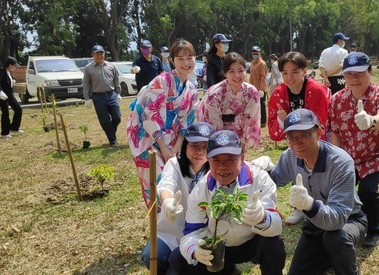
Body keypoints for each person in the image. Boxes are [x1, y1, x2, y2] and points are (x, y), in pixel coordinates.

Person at [253, 109, 367, 275]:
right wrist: (262, 170)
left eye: (305, 135)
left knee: (336, 238)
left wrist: (309, 204)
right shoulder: (290, 156)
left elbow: (338, 218)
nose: (298, 143)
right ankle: (328, 257)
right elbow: (275, 180)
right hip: (315, 224)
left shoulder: (340, 162)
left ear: (319, 133)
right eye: (291, 137)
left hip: (350, 220)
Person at [168, 130, 285, 275]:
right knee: (178, 259)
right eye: (216, 160)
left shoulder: (260, 179)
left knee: (274, 247)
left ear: (242, 157)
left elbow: (277, 226)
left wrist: (262, 218)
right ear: (208, 160)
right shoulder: (201, 189)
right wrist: (195, 250)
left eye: (230, 159)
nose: (223, 166)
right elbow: (190, 233)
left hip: (253, 241)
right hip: (220, 246)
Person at [141, 122, 215, 275]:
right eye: (194, 146)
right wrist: (168, 202)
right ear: (185, 145)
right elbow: (166, 185)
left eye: (205, 147)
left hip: (199, 234)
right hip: (170, 232)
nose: (199, 152)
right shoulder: (174, 164)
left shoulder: (214, 170)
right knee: (151, 257)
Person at [328, 52, 379, 248]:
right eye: (349, 75)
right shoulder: (337, 99)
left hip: (376, 156)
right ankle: (346, 223)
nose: (354, 79)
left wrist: (371, 120)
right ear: (343, 76)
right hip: (349, 157)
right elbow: (335, 132)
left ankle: (374, 228)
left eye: (359, 73)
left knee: (367, 190)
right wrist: (337, 160)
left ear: (370, 72)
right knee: (340, 189)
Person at [126, 39, 198, 207]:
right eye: (180, 58)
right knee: (155, 179)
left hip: (171, 138)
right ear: (172, 60)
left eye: (190, 57)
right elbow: (148, 113)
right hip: (147, 136)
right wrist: (163, 147)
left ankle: (172, 221)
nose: (186, 63)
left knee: (172, 177)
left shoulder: (192, 89)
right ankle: (158, 225)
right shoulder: (162, 81)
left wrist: (175, 147)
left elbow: (186, 120)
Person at [267, 51, 331, 225]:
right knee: (295, 162)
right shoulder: (279, 93)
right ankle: (299, 206)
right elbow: (272, 124)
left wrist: (291, 121)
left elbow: (320, 122)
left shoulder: (316, 91)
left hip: (320, 137)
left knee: (318, 167)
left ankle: (320, 203)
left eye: (295, 72)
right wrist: (282, 120)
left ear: (305, 71)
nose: (290, 77)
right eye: (285, 73)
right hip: (296, 139)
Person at [196, 52, 261, 151]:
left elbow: (252, 119)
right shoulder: (215, 93)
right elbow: (214, 121)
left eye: (240, 70)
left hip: (241, 131)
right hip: (218, 131)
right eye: (231, 71)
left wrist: (242, 145)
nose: (237, 75)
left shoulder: (252, 92)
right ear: (225, 73)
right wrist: (221, 146)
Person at [82, 45, 122, 146]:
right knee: (104, 121)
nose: (100, 56)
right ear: (92, 55)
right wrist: (87, 98)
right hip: (98, 97)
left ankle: (110, 133)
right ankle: (113, 140)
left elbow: (116, 80)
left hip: (111, 94)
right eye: (97, 54)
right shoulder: (88, 68)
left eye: (101, 53)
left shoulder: (111, 66)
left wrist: (118, 93)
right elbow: (86, 84)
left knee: (117, 118)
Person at [0, 56, 23, 138]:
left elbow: (10, 79)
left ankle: (14, 127)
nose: (15, 67)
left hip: (10, 95)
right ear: (9, 65)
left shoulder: (9, 71)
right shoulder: (1, 70)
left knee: (18, 109)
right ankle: (4, 133)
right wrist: (0, 92)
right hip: (2, 96)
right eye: (14, 65)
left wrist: (13, 81)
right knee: (5, 113)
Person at [249, 46, 268, 127]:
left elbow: (263, 77)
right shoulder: (252, 63)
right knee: (254, 105)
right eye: (253, 53)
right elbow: (251, 76)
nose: (255, 54)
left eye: (256, 53)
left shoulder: (262, 64)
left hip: (260, 88)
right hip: (253, 87)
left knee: (262, 105)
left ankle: (263, 121)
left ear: (260, 53)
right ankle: (256, 120)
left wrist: (261, 89)